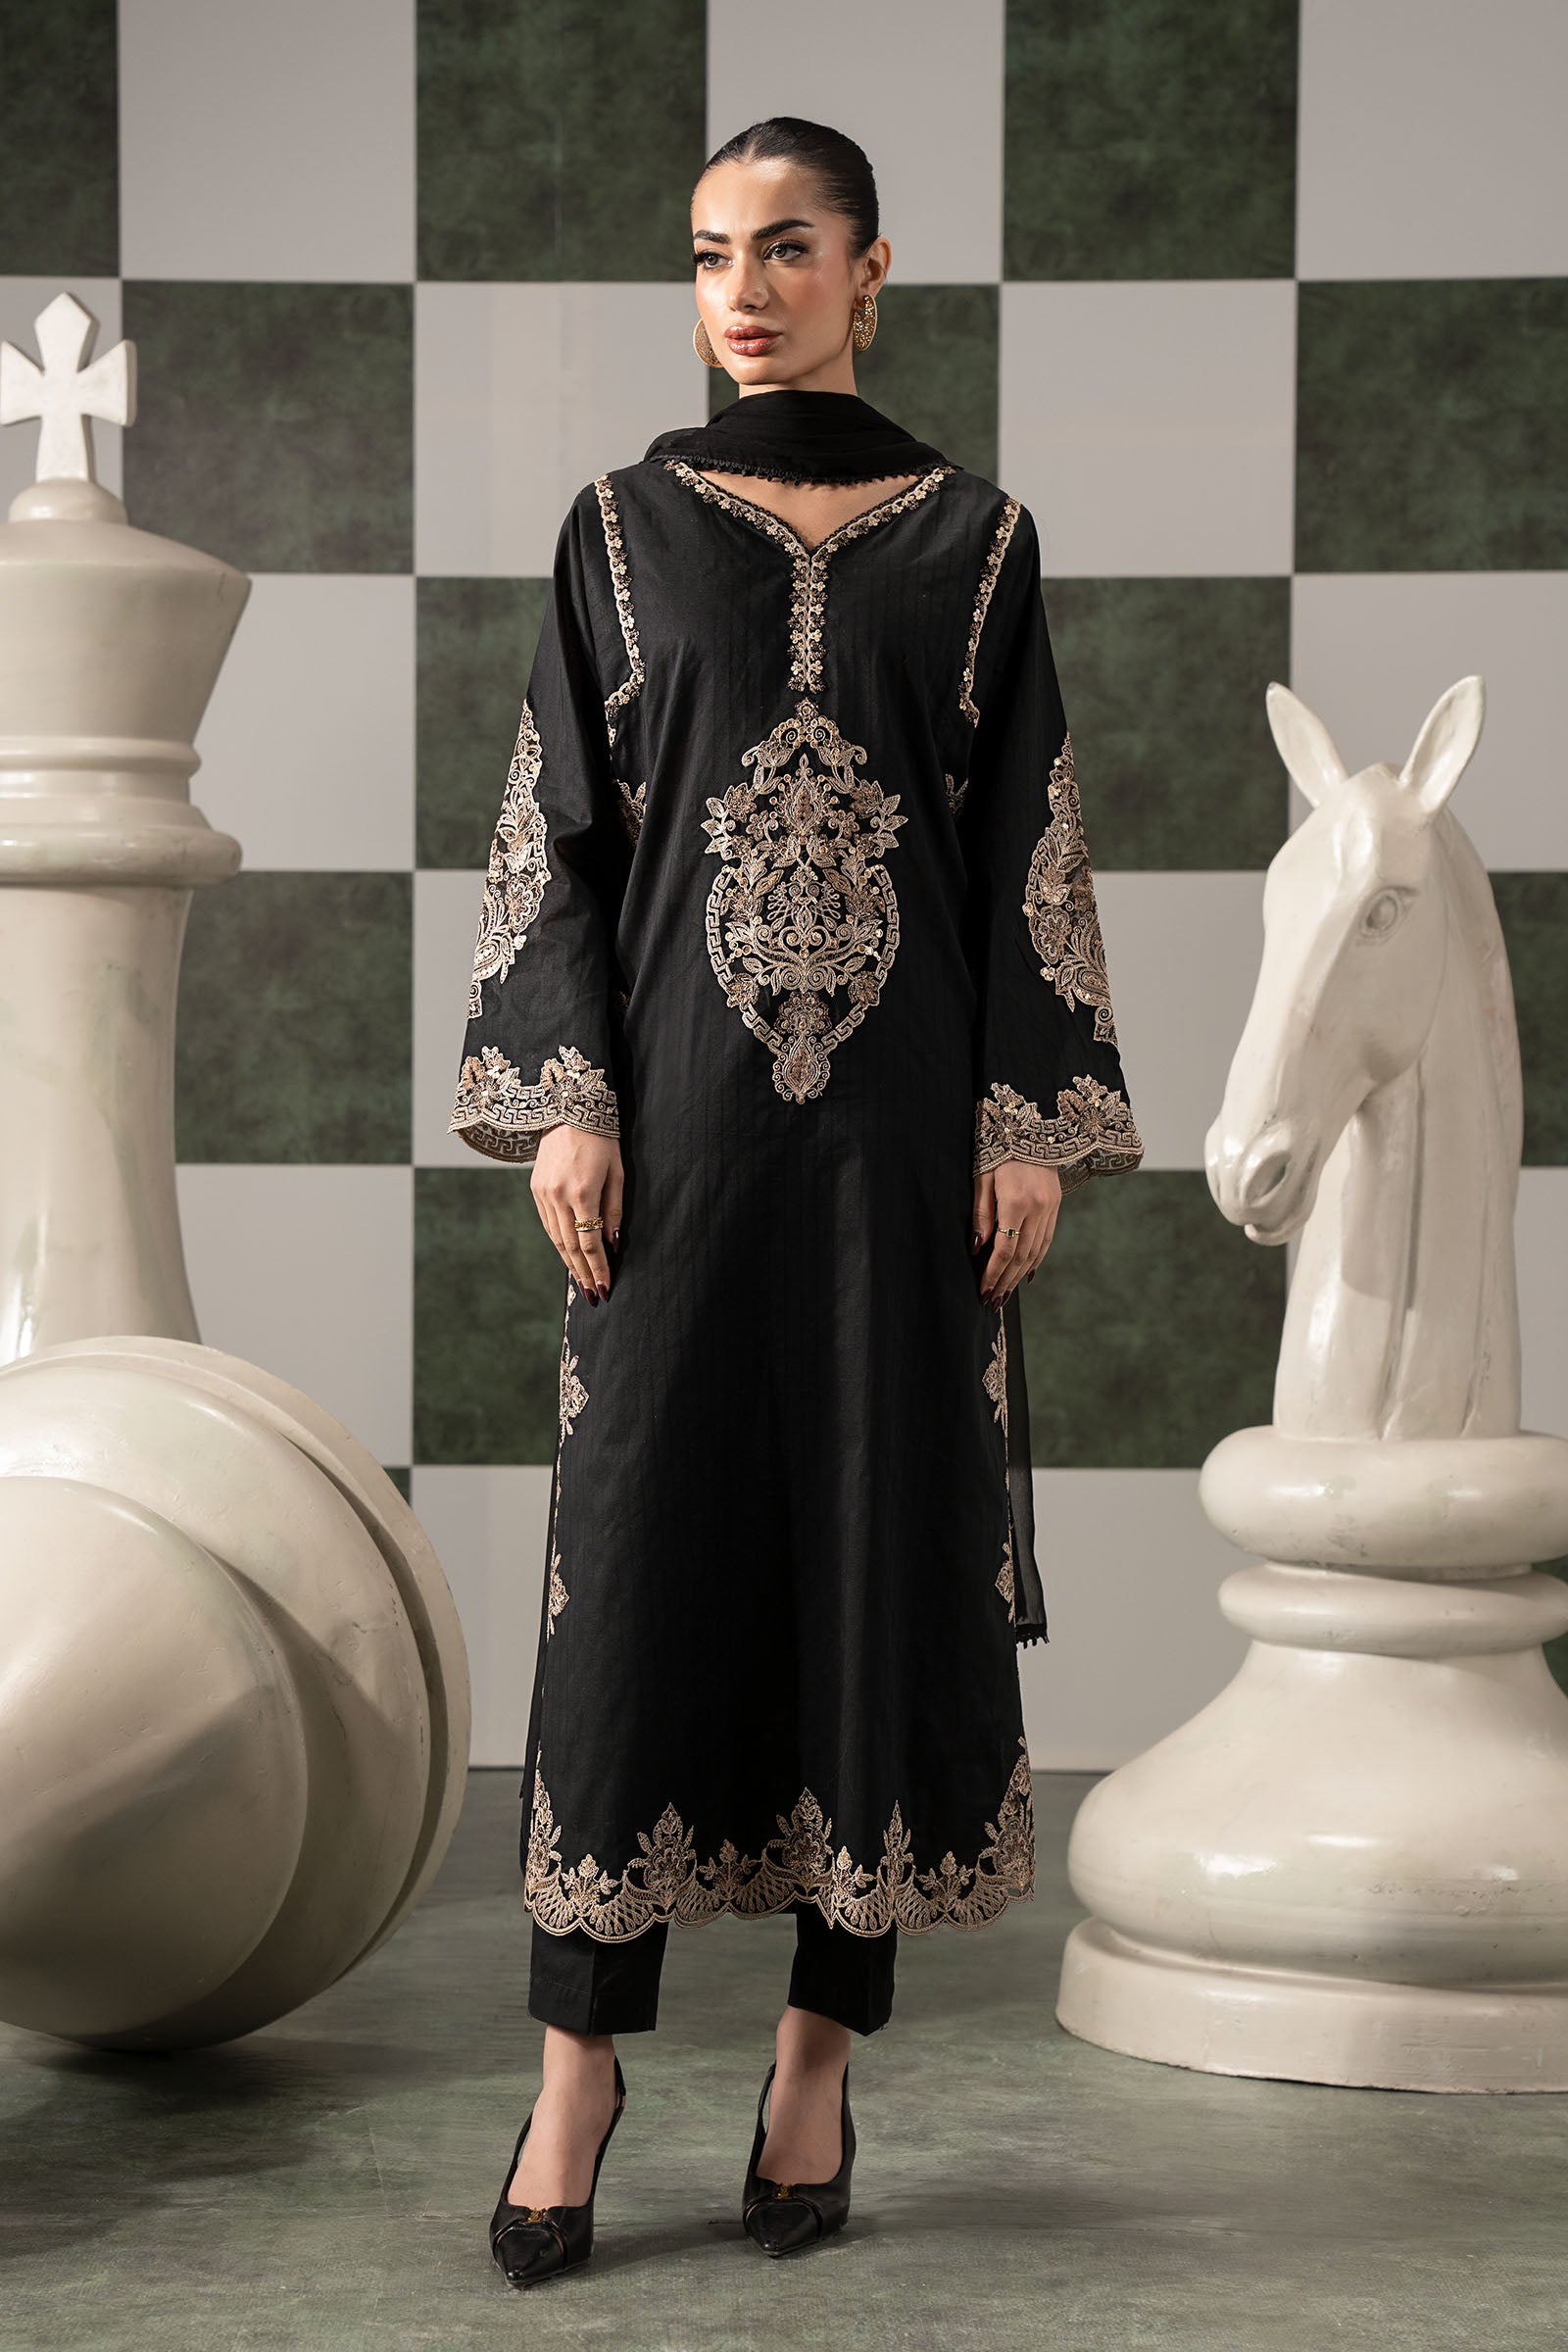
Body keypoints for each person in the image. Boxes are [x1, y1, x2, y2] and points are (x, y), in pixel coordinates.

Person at [451, 115, 1144, 2286]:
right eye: (707, 255)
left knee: (878, 1559)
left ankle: (816, 2065)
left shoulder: (979, 541)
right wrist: (570, 1098)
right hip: (671, 1135)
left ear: (869, 273)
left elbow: (1023, 846)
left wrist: (1023, 1120)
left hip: (901, 1145)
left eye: (782, 249)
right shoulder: (620, 530)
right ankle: (575, 2074)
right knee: (635, 1567)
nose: (739, 292)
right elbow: (560, 834)